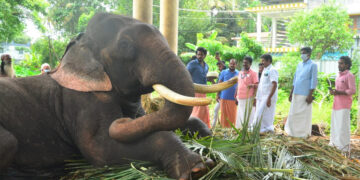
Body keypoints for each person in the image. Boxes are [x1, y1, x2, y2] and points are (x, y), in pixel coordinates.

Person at [285, 47, 318, 138]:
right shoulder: (299, 64)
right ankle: (293, 133)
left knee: (303, 115)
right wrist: (291, 93)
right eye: (301, 53)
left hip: (305, 94)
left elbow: (313, 80)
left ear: (309, 54)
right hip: (296, 92)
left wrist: (310, 95)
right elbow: (295, 79)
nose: (302, 55)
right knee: (294, 114)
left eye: (304, 53)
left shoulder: (313, 65)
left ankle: (303, 134)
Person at [329, 56, 356, 152]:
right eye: (338, 63)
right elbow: (338, 90)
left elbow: (352, 90)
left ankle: (343, 148)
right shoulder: (338, 75)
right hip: (336, 104)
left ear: (347, 65)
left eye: (341, 63)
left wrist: (339, 92)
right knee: (335, 125)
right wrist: (333, 92)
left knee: (342, 127)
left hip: (344, 105)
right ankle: (334, 145)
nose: (338, 65)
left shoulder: (350, 75)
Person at [187, 47, 211, 128]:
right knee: (197, 109)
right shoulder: (192, 64)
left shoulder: (206, 66)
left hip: (203, 91)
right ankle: (195, 127)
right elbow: (186, 74)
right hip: (195, 90)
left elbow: (204, 77)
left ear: (205, 55)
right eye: (198, 54)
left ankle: (204, 127)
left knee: (204, 110)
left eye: (201, 55)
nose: (199, 56)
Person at [254, 54, 278, 133]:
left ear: (269, 61)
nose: (262, 62)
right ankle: (260, 130)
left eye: (263, 61)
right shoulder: (265, 69)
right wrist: (257, 97)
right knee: (259, 114)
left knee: (265, 114)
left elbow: (274, 84)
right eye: (262, 61)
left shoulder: (272, 70)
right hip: (261, 96)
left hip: (268, 96)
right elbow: (262, 85)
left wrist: (269, 98)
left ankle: (267, 129)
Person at [234, 56, 258, 129]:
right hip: (240, 97)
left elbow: (257, 85)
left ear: (250, 64)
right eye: (244, 62)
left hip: (249, 97)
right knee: (240, 113)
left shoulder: (253, 73)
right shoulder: (240, 73)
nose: (244, 64)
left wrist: (255, 97)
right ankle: (240, 128)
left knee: (249, 114)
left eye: (246, 63)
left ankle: (248, 129)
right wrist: (235, 95)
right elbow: (239, 84)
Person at [217, 59, 239, 128]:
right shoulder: (223, 72)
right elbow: (219, 84)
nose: (232, 65)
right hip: (224, 97)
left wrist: (238, 97)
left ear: (236, 65)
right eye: (231, 64)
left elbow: (240, 85)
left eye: (234, 64)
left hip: (234, 98)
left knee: (233, 115)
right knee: (224, 115)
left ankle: (231, 129)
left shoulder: (239, 73)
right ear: (229, 64)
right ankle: (224, 128)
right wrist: (217, 95)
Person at [212, 60, 227, 128]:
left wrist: (218, 59)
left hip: (224, 96)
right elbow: (217, 86)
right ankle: (213, 126)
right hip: (220, 96)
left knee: (222, 111)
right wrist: (212, 81)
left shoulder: (226, 72)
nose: (219, 67)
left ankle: (222, 125)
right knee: (216, 110)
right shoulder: (220, 74)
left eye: (220, 65)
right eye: (218, 66)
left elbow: (221, 85)